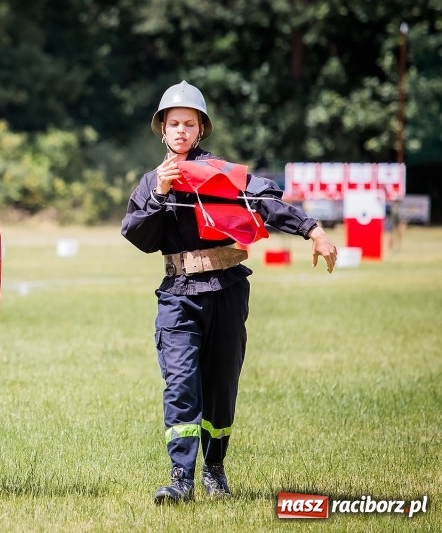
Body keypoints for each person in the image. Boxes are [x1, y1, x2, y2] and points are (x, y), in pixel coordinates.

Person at [120, 80, 338, 505]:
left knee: (221, 386)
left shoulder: (221, 173)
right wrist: (161, 195)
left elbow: (266, 201)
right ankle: (180, 478)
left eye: (189, 123)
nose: (180, 130)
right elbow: (138, 236)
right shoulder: (152, 182)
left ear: (201, 129)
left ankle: (214, 469)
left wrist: (312, 229)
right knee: (181, 384)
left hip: (226, 289)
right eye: (173, 123)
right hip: (178, 294)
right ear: (161, 130)